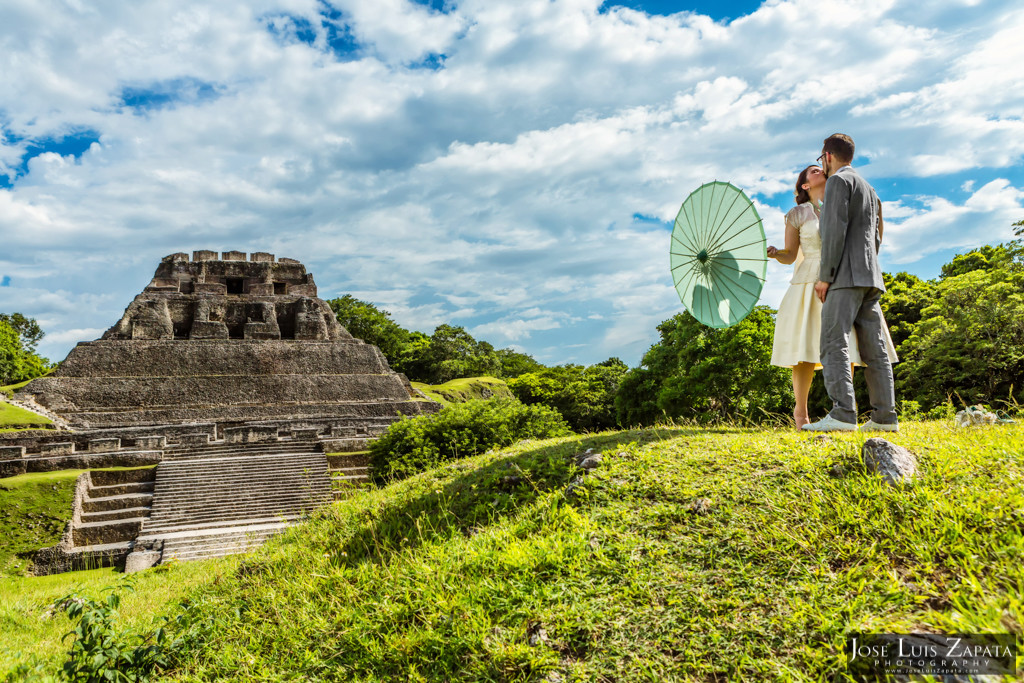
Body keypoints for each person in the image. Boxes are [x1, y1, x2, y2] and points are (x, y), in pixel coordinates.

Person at [767, 165, 897, 429]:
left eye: (820, 168)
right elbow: (791, 255)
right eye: (812, 171)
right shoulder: (797, 214)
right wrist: (776, 253)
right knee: (803, 350)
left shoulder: (844, 201)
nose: (819, 171)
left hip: (841, 277)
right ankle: (801, 414)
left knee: (846, 344)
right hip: (807, 281)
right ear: (804, 185)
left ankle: (845, 410)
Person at [803, 133, 898, 432]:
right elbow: (876, 235)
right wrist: (868, 266)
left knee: (833, 341)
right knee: (875, 349)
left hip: (844, 276)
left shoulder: (838, 183)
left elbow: (833, 231)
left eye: (822, 160)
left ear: (828, 156)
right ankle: (885, 418)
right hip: (871, 276)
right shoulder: (870, 189)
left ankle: (843, 414)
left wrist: (825, 276)